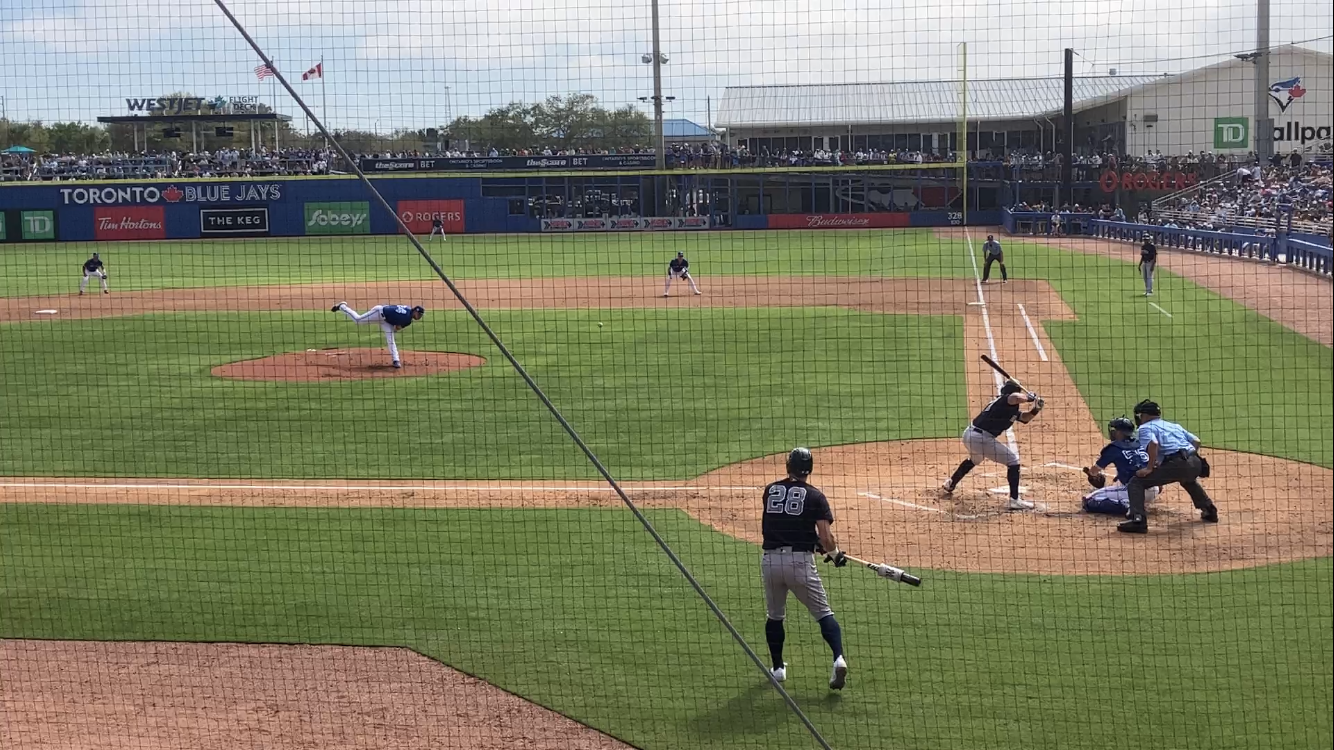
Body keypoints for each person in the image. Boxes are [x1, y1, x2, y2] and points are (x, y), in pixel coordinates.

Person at [761, 447, 850, 690]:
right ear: (809, 469)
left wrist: (813, 542)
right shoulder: (816, 497)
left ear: (789, 466)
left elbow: (783, 524)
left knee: (775, 616)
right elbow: (826, 537)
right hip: (800, 563)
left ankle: (778, 669)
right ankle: (838, 659)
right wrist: (835, 555)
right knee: (823, 613)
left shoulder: (770, 491)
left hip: (770, 562)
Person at [941, 379, 1044, 510]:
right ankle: (1014, 500)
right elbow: (1015, 397)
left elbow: (1025, 418)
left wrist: (1036, 409)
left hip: (971, 435)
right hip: (981, 438)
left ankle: (951, 483)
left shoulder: (1009, 408)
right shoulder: (1006, 400)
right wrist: (1029, 397)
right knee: (1013, 461)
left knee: (974, 460)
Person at [1118, 400, 1218, 534]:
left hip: (1177, 463)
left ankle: (1138, 520)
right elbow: (1196, 441)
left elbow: (1153, 444)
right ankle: (1209, 510)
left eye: (1140, 415)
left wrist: (1149, 468)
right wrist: (1187, 460)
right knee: (1187, 479)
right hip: (1196, 462)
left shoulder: (1145, 428)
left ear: (1145, 415)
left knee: (1136, 483)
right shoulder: (1173, 425)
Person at [1082, 417, 1159, 515]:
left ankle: (1128, 505)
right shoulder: (1139, 443)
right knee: (1121, 484)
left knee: (1089, 500)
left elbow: (1094, 471)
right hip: (1154, 489)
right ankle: (1135, 501)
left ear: (1119, 433)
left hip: (1134, 490)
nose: (1113, 432)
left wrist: (1092, 475)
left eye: (1115, 430)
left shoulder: (1113, 448)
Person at [331, 302, 425, 369]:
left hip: (386, 321)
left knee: (390, 339)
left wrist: (392, 328)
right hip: (378, 313)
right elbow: (397, 328)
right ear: (415, 312)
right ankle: (342, 307)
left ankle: (396, 360)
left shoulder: (408, 308)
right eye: (419, 315)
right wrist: (394, 328)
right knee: (358, 320)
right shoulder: (408, 320)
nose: (419, 317)